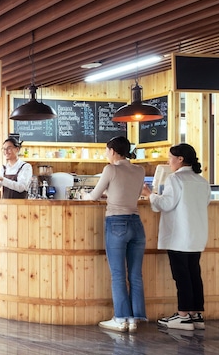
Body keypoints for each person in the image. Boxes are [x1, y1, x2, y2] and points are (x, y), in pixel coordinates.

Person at [144, 143, 211, 331]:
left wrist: (150, 195)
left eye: (170, 158)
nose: (168, 161)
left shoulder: (175, 179)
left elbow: (166, 204)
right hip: (197, 235)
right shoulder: (202, 181)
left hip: (179, 236)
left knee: (182, 276)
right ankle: (196, 314)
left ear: (180, 159)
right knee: (194, 274)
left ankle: (182, 316)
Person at [86, 136, 146, 333]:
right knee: (135, 274)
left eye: (106, 150)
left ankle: (120, 319)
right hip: (136, 223)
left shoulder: (110, 169)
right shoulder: (140, 170)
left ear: (112, 151)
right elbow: (135, 194)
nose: (106, 154)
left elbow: (93, 196)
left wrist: (88, 195)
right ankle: (134, 320)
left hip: (117, 223)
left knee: (119, 274)